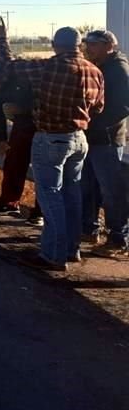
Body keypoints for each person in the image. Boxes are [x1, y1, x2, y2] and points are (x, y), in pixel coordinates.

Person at [2, 24, 104, 271]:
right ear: (79, 45)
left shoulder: (47, 67)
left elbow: (9, 65)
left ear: (54, 45)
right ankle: (71, 250)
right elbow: (99, 107)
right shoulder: (94, 71)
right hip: (79, 139)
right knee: (72, 195)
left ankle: (52, 255)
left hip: (51, 138)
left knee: (50, 197)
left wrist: (2, 39)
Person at [0, 31, 43, 226]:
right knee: (13, 164)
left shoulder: (22, 75)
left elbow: (43, 98)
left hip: (42, 125)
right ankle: (9, 202)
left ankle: (40, 212)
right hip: (21, 126)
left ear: (3, 76)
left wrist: (24, 108)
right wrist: (1, 139)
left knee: (43, 170)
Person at [81, 30, 129, 259]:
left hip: (107, 140)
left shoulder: (118, 69)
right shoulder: (99, 65)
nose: (88, 48)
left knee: (112, 191)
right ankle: (89, 230)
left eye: (93, 44)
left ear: (108, 45)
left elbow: (123, 106)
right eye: (87, 43)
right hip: (91, 137)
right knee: (88, 187)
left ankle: (118, 237)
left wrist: (97, 123)